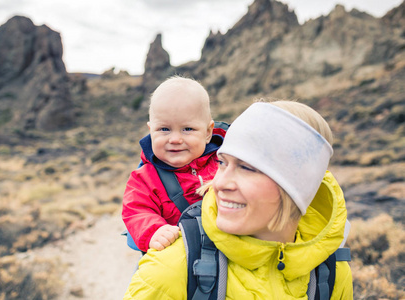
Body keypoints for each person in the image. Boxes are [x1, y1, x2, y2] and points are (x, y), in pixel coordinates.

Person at [124, 100, 353, 299]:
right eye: (222, 163)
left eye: (247, 168)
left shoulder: (330, 273)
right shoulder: (171, 269)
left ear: (297, 185)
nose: (219, 184)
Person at [122, 76, 226, 252]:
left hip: (227, 253)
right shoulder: (145, 179)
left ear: (208, 132)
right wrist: (155, 231)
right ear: (151, 131)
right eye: (164, 129)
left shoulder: (226, 162)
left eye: (187, 129)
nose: (175, 139)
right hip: (179, 256)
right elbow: (136, 211)